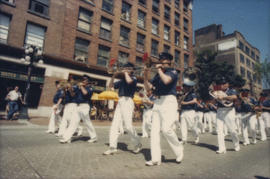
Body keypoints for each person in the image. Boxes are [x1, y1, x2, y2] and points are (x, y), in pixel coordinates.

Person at [144, 52, 184, 166]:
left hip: (169, 101)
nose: (161, 62)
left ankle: (178, 149)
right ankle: (155, 159)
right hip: (158, 102)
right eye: (161, 60)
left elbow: (166, 81)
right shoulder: (157, 75)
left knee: (166, 129)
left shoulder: (173, 71)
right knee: (154, 131)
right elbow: (148, 88)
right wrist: (146, 73)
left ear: (170, 62)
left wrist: (159, 70)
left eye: (164, 60)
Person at [103, 62, 142, 155]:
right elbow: (110, 86)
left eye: (128, 68)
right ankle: (112, 147)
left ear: (132, 70)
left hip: (128, 101)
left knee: (128, 126)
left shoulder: (134, 78)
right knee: (114, 124)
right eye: (125, 68)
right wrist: (113, 75)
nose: (125, 69)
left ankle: (137, 143)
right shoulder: (122, 79)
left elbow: (129, 82)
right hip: (120, 101)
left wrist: (124, 73)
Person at [60, 75, 97, 143]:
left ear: (88, 81)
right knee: (73, 122)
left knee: (87, 123)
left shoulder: (90, 88)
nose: (82, 81)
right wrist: (70, 88)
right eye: (82, 79)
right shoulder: (78, 87)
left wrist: (81, 86)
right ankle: (66, 138)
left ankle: (94, 137)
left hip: (85, 106)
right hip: (78, 106)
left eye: (84, 80)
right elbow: (72, 94)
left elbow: (85, 93)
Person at [213, 77, 240, 154]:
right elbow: (214, 100)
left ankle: (236, 144)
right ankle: (221, 148)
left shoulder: (232, 90)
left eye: (224, 83)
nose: (223, 85)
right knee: (219, 130)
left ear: (228, 84)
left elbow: (235, 97)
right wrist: (215, 98)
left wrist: (224, 97)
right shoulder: (217, 91)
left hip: (229, 111)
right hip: (220, 111)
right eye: (221, 84)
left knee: (232, 130)